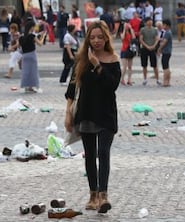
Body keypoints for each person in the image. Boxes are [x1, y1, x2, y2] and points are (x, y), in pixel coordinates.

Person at [64, 20, 121, 214]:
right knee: (90, 156)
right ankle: (93, 195)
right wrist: (68, 113)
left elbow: (111, 85)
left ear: (106, 38)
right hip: (86, 112)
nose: (96, 41)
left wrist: (98, 65)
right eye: (92, 37)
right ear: (88, 39)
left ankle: (104, 196)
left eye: (100, 37)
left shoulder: (113, 59)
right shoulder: (81, 59)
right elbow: (72, 89)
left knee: (103, 153)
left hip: (106, 114)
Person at [19, 21, 44, 93]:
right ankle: (34, 86)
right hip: (32, 55)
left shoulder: (22, 37)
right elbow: (40, 44)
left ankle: (26, 86)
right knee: (33, 72)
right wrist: (43, 36)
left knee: (25, 72)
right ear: (31, 27)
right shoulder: (32, 36)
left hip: (24, 56)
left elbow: (19, 47)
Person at [139, 17, 160, 86]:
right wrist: (147, 46)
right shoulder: (143, 29)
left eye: (151, 20)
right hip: (144, 49)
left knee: (154, 65)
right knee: (144, 65)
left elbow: (157, 39)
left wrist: (154, 46)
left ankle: (157, 79)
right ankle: (145, 79)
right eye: (148, 21)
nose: (150, 22)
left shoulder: (155, 30)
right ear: (146, 22)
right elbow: (141, 39)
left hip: (152, 48)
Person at [157, 19, 173, 87]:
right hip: (168, 51)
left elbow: (164, 42)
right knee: (167, 66)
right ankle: (168, 81)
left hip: (166, 51)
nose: (163, 26)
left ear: (166, 25)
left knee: (165, 67)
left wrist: (159, 49)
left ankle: (165, 81)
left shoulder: (167, 32)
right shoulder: (169, 32)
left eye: (163, 25)